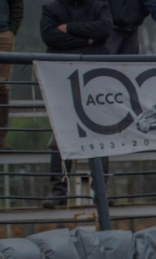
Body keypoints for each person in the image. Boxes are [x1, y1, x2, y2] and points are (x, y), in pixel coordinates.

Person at [41, 0, 112, 205]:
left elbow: (104, 29)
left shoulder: (99, 6)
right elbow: (49, 36)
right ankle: (58, 191)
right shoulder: (51, 8)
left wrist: (69, 28)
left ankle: (100, 192)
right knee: (61, 134)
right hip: (60, 78)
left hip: (94, 79)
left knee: (98, 133)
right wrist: (88, 41)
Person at [0, 0, 23, 151]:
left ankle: (0, 137)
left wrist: (11, 31)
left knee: (1, 84)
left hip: (3, 33)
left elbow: (17, 5)